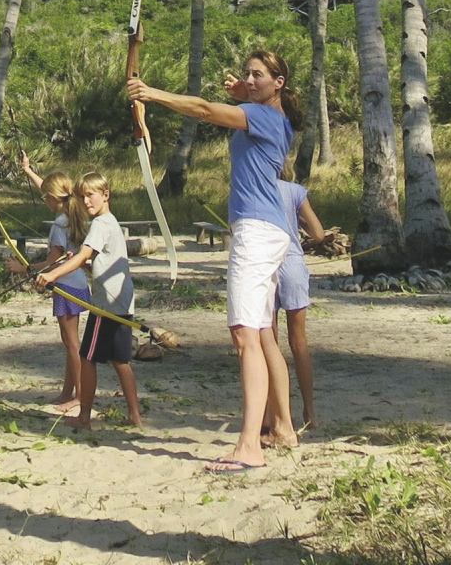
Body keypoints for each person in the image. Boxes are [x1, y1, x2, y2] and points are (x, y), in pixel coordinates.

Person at [128, 50, 301, 471]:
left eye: (258, 75)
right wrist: (246, 94)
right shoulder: (275, 118)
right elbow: (237, 112)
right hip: (270, 230)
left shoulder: (263, 116)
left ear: (278, 83)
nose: (249, 79)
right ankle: (282, 428)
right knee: (262, 334)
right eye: (247, 73)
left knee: (244, 335)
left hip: (257, 231)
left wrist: (151, 94)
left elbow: (205, 110)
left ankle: (249, 447)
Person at [34, 172, 143, 430]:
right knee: (120, 361)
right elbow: (97, 261)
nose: (85, 201)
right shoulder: (111, 222)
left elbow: (83, 255)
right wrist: (83, 265)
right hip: (122, 302)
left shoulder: (101, 224)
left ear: (106, 195)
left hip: (106, 306)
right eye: (82, 196)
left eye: (90, 195)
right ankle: (134, 416)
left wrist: (51, 274)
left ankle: (84, 417)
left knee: (86, 357)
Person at [18, 150, 91, 410]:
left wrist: (23, 268)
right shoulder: (71, 210)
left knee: (72, 344)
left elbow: (53, 262)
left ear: (52, 198)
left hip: (68, 285)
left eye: (45, 198)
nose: (44, 200)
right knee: (69, 343)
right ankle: (67, 392)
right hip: (76, 283)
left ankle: (81, 396)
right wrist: (27, 170)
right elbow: (48, 189)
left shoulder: (60, 224)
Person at [266, 176, 328, 439]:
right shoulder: (295, 191)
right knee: (299, 342)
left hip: (266, 264)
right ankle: (309, 411)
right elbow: (319, 234)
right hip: (292, 264)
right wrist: (299, 223)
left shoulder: (258, 186)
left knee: (268, 343)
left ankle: (275, 413)